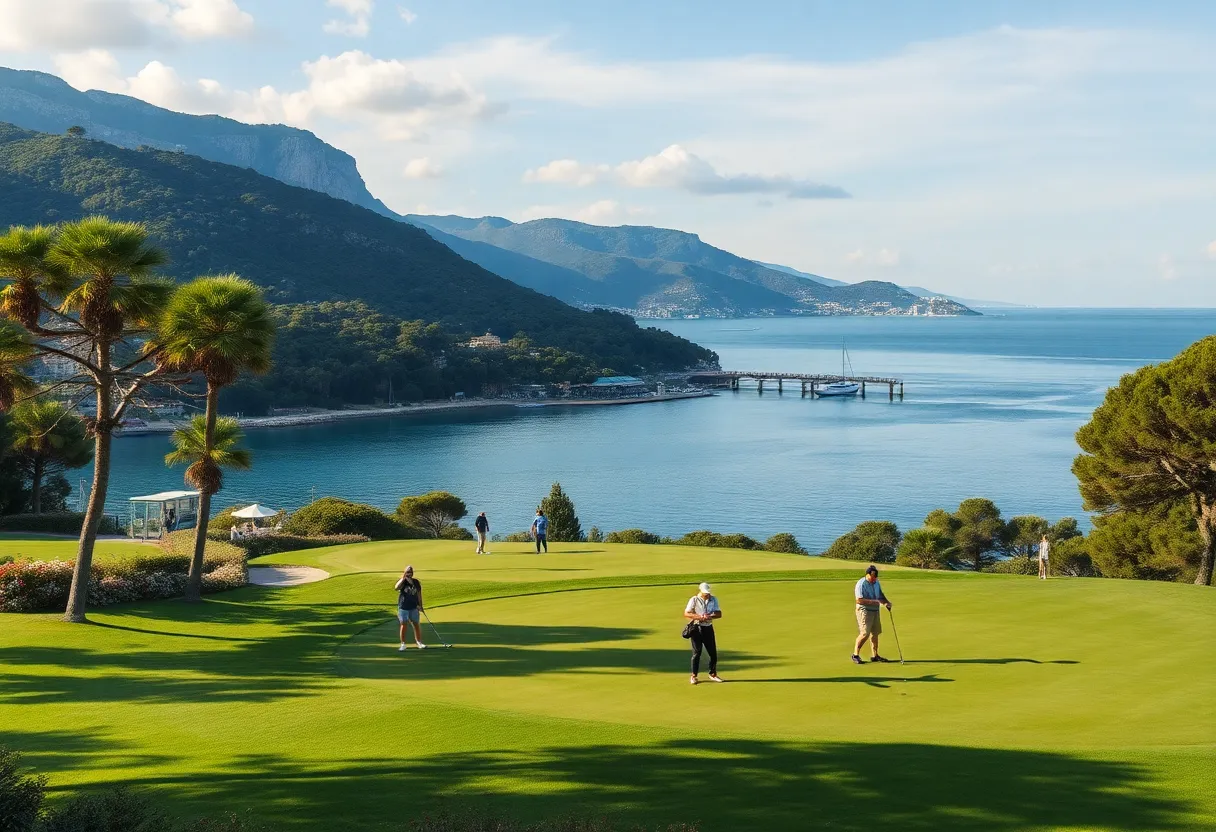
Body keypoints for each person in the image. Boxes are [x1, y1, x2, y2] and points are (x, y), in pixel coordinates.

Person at [684, 581, 723, 684]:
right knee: (697, 653)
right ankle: (694, 676)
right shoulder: (694, 599)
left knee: (713, 653)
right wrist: (700, 617)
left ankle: (713, 674)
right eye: (705, 593)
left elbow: (719, 614)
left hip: (708, 628)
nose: (707, 594)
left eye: (708, 592)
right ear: (701, 591)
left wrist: (709, 616)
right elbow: (687, 613)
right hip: (696, 628)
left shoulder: (713, 599)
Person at [852, 565, 892, 664]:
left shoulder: (876, 582)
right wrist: (873, 602)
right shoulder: (861, 584)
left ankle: (875, 655)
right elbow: (859, 600)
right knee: (865, 633)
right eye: (872, 577)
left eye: (875, 577)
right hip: (864, 611)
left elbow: (880, 595)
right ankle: (855, 655)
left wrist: (886, 602)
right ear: (867, 575)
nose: (874, 579)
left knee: (875, 633)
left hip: (875, 610)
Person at [394, 565, 426, 651]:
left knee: (416, 624)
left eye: (411, 572)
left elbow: (419, 595)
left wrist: (420, 605)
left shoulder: (416, 582)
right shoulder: (403, 582)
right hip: (403, 607)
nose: (409, 574)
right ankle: (403, 644)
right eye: (407, 572)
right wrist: (403, 578)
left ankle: (419, 642)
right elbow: (396, 587)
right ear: (405, 573)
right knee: (403, 625)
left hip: (414, 607)